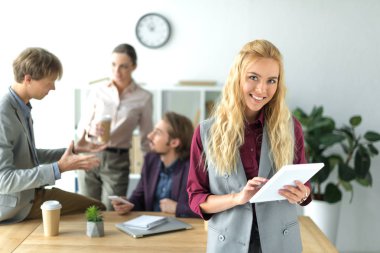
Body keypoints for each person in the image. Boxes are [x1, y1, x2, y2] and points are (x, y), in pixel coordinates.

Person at [187, 40, 312, 253]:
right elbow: (196, 199)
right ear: (237, 78)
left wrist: (302, 194)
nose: (262, 89)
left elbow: (305, 189)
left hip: (281, 243)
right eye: (253, 77)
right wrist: (237, 198)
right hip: (228, 243)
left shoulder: (290, 127)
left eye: (271, 80)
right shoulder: (206, 132)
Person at [0, 47, 106, 224]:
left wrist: (74, 150)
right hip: (15, 206)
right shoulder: (3, 113)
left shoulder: (21, 107)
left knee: (97, 208)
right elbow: (4, 180)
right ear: (28, 79)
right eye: (50, 81)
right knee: (96, 210)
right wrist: (59, 168)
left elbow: (29, 155)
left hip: (33, 193)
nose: (53, 87)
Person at [77, 43, 153, 210]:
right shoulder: (97, 91)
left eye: (123, 66)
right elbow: (82, 126)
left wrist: (151, 167)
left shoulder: (144, 97)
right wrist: (91, 130)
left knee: (112, 211)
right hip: (90, 155)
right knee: (87, 211)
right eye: (113, 65)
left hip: (117, 161)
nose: (117, 71)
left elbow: (146, 136)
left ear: (133, 67)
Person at [111, 112, 198, 218]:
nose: (149, 136)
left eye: (157, 133)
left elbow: (205, 209)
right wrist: (128, 204)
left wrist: (177, 208)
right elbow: (139, 197)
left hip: (181, 230)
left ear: (174, 142)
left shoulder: (192, 168)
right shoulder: (150, 160)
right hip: (150, 228)